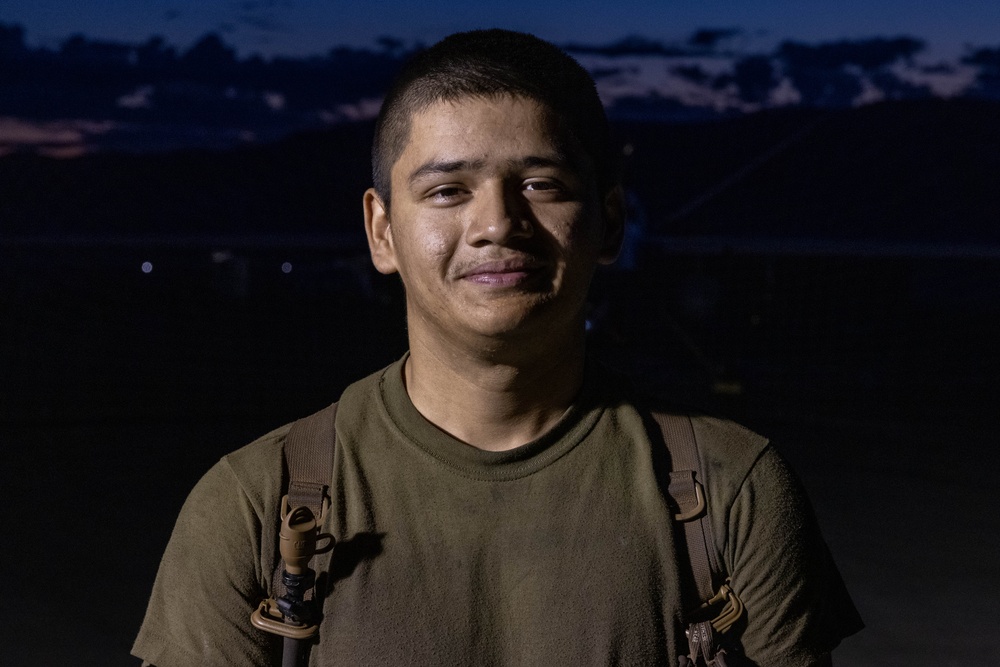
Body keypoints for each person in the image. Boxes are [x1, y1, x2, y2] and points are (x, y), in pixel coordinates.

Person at [133, 29, 862, 666]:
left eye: (541, 183)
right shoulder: (252, 505)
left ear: (608, 221)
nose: (498, 223)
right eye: (448, 191)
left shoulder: (734, 491)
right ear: (381, 231)